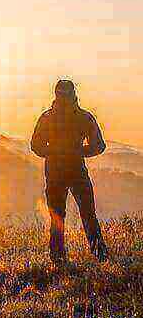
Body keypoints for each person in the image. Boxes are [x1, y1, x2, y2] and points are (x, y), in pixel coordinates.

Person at [31, 78, 108, 264]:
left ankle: (58, 260)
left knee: (59, 216)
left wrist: (56, 152)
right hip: (75, 170)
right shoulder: (83, 117)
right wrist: (76, 152)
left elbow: (36, 146)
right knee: (87, 214)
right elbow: (99, 146)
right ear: (74, 94)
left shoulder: (48, 117)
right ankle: (100, 256)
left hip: (57, 172)